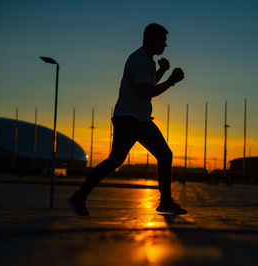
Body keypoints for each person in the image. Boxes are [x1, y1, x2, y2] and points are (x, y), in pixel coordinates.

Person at [67, 23, 186, 216]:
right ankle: (165, 201)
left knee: (117, 159)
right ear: (152, 40)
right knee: (162, 155)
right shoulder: (138, 60)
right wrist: (171, 81)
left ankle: (79, 196)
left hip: (134, 118)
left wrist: (162, 71)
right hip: (131, 119)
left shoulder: (147, 60)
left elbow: (148, 82)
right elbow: (145, 91)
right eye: (163, 41)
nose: (165, 46)